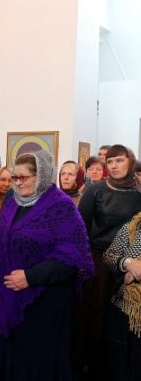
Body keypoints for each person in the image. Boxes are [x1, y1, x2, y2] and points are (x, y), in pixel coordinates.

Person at [0, 150, 94, 380]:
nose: (17, 183)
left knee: (31, 362)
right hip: (5, 293)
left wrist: (31, 277)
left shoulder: (62, 207)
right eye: (15, 177)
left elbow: (72, 258)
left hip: (42, 302)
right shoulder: (12, 200)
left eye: (23, 177)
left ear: (42, 176)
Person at [76, 144, 141, 380]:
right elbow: (80, 229)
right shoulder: (96, 190)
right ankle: (89, 368)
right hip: (98, 264)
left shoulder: (139, 192)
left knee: (122, 326)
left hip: (132, 265)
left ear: (131, 162)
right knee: (95, 321)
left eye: (119, 160)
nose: (113, 165)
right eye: (110, 161)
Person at [103, 207, 141, 381]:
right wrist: (127, 263)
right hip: (123, 309)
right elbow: (108, 257)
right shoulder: (132, 227)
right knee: (118, 367)